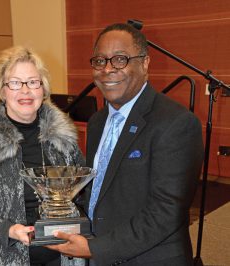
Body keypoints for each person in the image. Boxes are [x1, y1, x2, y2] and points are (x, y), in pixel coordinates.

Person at [46, 23, 204, 266]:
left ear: (145, 63)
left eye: (120, 59)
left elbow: (166, 212)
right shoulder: (98, 121)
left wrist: (95, 248)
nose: (108, 69)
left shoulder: (176, 123)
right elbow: (102, 189)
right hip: (102, 255)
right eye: (100, 61)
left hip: (149, 259)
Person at [0, 45, 86, 266]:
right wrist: (8, 229)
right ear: (2, 90)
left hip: (64, 255)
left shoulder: (64, 138)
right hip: (6, 256)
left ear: (43, 89)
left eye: (33, 82)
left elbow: (83, 193)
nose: (25, 91)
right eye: (15, 83)